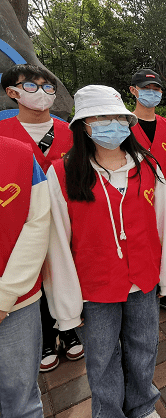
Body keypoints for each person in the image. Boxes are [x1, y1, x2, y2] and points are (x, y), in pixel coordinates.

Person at [44, 85, 166, 418]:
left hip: (142, 280)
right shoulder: (63, 173)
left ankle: (143, 406)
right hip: (95, 287)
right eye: (101, 117)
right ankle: (109, 412)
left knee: (143, 349)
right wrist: (67, 306)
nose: (111, 124)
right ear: (84, 125)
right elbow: (58, 242)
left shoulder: (147, 166)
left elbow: (163, 226)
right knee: (101, 358)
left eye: (118, 117)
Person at [0, 63, 84, 373]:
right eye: (31, 86)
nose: (43, 93)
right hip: (23, 223)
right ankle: (46, 338)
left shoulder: (70, 132)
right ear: (13, 92)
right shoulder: (3, 135)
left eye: (48, 87)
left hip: (67, 220)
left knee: (65, 269)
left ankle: (69, 329)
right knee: (34, 276)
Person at [0, 138, 50, 417]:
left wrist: (5, 295)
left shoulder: (19, 155)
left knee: (21, 397)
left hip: (16, 302)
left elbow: (38, 224)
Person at [128, 68, 166, 314]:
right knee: (141, 241)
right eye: (146, 88)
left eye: (156, 89)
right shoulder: (123, 125)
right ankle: (143, 288)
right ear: (133, 90)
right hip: (135, 195)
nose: (152, 93)